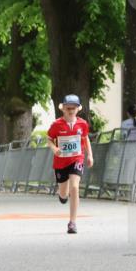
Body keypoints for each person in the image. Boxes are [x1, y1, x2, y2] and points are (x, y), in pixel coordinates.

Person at [47, 95, 93, 234]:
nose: (71, 110)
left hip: (76, 159)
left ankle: (72, 222)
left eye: (74, 107)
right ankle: (62, 196)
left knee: (75, 187)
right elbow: (49, 139)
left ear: (78, 109)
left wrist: (90, 155)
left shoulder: (82, 124)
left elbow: (85, 139)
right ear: (63, 109)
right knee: (64, 193)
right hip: (61, 162)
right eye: (68, 107)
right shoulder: (56, 125)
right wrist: (54, 149)